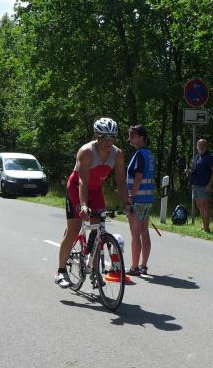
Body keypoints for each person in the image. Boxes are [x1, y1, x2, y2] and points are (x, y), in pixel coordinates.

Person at [54, 118, 129, 288]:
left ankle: (95, 271)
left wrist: (127, 203)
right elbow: (83, 181)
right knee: (74, 228)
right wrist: (83, 205)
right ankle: (61, 271)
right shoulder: (86, 152)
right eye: (104, 138)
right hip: (77, 188)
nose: (108, 142)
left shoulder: (117, 154)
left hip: (95, 190)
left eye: (112, 138)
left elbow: (121, 181)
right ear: (97, 136)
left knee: (98, 229)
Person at [125, 124, 156, 276]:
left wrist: (131, 196)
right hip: (148, 198)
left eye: (133, 136)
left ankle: (134, 267)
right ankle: (144, 266)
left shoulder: (139, 155)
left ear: (141, 138)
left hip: (138, 199)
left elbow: (138, 177)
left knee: (135, 233)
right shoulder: (149, 154)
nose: (130, 138)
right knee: (144, 231)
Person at [188, 138, 213, 232]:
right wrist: (189, 172)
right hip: (195, 185)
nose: (200, 147)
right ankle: (204, 226)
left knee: (205, 206)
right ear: (197, 147)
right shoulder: (197, 157)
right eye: (199, 145)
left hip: (204, 186)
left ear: (206, 146)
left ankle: (207, 228)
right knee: (199, 206)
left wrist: (210, 185)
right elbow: (195, 170)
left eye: (202, 145)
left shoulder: (210, 158)